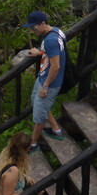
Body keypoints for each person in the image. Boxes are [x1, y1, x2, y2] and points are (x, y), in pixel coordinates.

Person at [23, 11, 66, 152]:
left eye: (34, 27)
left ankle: (33, 144)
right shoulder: (56, 31)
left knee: (39, 116)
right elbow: (53, 53)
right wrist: (40, 53)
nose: (32, 30)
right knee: (38, 104)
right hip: (43, 77)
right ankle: (56, 129)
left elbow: (56, 66)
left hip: (49, 83)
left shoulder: (50, 40)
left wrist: (46, 86)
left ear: (42, 23)